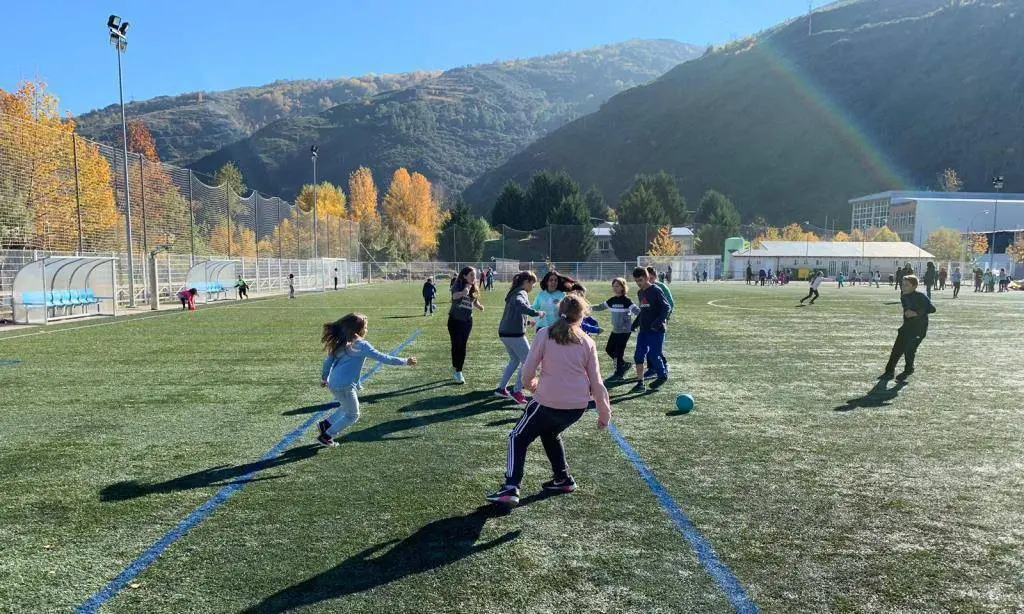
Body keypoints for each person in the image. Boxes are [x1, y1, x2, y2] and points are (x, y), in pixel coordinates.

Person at [486, 294, 612, 506]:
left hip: (547, 402)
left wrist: (531, 386)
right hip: (576, 407)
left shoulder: (544, 334)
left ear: (558, 312)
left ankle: (511, 487)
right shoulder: (587, 341)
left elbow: (528, 370)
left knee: (517, 437)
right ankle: (563, 479)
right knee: (550, 433)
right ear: (582, 316)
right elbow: (597, 383)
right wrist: (604, 414)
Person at [317, 313, 418, 447]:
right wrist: (405, 361)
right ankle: (327, 435)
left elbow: (328, 361)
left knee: (345, 406)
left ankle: (326, 424)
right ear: (358, 329)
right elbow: (384, 358)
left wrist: (325, 378)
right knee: (353, 415)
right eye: (365, 327)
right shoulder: (362, 345)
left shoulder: (341, 342)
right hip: (345, 386)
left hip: (334, 383)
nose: (366, 330)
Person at [496, 271, 544, 405]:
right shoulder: (521, 292)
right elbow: (519, 304)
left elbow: (513, 313)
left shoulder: (514, 291)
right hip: (514, 334)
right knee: (528, 361)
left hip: (505, 333)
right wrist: (536, 313)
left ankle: (501, 389)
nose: (533, 287)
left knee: (515, 360)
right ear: (527, 282)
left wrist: (527, 322)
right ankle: (516, 391)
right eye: (533, 284)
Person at [880, 275, 935, 381]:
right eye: (902, 285)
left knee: (910, 350)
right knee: (897, 349)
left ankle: (908, 369)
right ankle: (889, 371)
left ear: (914, 286)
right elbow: (907, 310)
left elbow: (932, 309)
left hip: (919, 329)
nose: (903, 287)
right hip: (907, 327)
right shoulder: (904, 296)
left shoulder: (921, 296)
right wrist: (910, 312)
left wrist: (916, 313)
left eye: (906, 285)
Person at [630, 267, 670, 393]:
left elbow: (666, 307)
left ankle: (662, 375)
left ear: (647, 277)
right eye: (636, 281)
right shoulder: (640, 293)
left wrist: (657, 322)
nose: (638, 283)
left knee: (653, 355)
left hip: (656, 330)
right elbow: (643, 311)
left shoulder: (656, 290)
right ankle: (640, 383)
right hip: (643, 330)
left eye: (640, 280)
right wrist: (635, 323)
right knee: (638, 355)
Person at [592, 277, 637, 380]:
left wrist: (643, 318)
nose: (615, 288)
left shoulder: (627, 301)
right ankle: (624, 365)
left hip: (625, 331)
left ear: (623, 287)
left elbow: (637, 311)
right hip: (615, 330)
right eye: (613, 286)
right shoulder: (612, 300)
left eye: (617, 286)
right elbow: (599, 307)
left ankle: (619, 374)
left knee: (618, 353)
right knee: (609, 349)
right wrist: (586, 306)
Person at [448, 267, 485, 385]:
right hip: (455, 321)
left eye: (475, 275)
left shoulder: (474, 287)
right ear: (464, 276)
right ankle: (456, 368)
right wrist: (463, 292)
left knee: (462, 346)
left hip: (467, 321)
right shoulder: (458, 285)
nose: (474, 278)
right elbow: (454, 296)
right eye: (471, 275)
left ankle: (459, 370)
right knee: (456, 345)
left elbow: (474, 300)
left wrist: (479, 306)